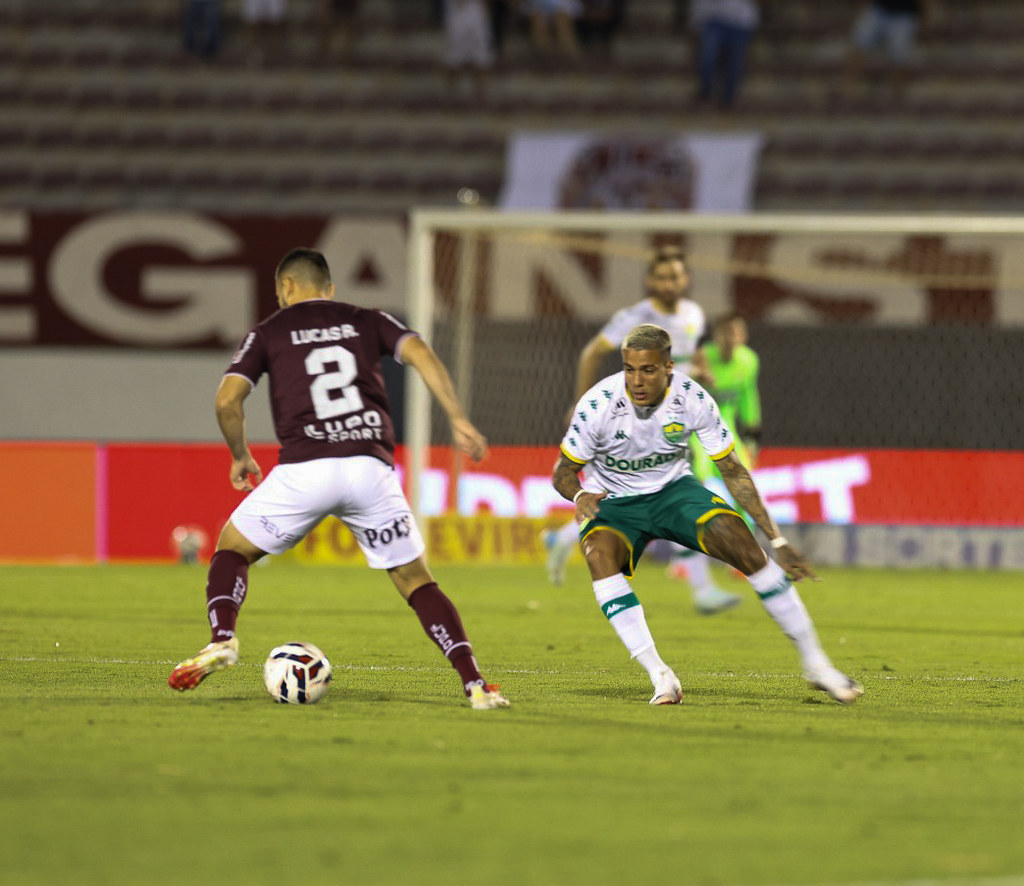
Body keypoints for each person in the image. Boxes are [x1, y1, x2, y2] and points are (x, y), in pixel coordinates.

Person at [168, 248, 510, 711]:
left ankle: (223, 638)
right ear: (329, 288)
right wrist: (458, 418)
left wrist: (240, 454)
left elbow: (227, 401)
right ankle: (476, 685)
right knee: (415, 580)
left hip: (305, 469)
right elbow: (421, 352)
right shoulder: (367, 319)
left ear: (286, 287)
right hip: (370, 469)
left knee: (232, 548)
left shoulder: (268, 331)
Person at [552, 323, 863, 705]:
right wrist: (579, 493)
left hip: (673, 492)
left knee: (745, 547)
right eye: (629, 369)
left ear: (668, 367)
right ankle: (660, 674)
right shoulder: (597, 404)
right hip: (614, 500)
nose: (637, 380)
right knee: (598, 556)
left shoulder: (692, 398)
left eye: (648, 370)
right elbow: (563, 472)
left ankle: (817, 665)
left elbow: (733, 470)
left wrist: (777, 539)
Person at [542, 247, 741, 616]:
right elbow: (591, 353)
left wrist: (703, 372)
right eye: (662, 277)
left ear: (685, 279)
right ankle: (702, 590)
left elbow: (690, 357)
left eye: (675, 276)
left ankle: (562, 538)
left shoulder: (693, 314)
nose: (670, 283)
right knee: (657, 492)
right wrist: (580, 405)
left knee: (658, 491)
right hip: (630, 416)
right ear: (651, 280)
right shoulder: (635, 318)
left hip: (672, 417)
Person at [681, 311, 761, 541]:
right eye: (728, 333)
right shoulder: (702, 358)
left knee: (744, 485)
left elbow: (748, 399)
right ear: (717, 335)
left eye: (737, 333)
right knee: (700, 476)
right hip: (696, 431)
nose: (732, 338)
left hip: (726, 430)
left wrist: (752, 438)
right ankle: (689, 548)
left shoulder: (748, 361)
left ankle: (746, 544)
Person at [843, 0, 934, 99]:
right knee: (859, 44)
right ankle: (848, 84)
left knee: (900, 57)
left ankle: (897, 91)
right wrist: (862, 8)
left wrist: (925, 17)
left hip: (904, 15)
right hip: (879, 9)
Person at [694, 0, 760, 110]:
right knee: (707, 57)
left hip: (741, 22)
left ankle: (729, 97)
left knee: (734, 63)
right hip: (715, 18)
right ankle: (706, 93)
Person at [442, 0, 495, 101]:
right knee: (454, 57)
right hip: (458, 10)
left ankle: (480, 94)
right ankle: (450, 94)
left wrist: (487, 11)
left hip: (478, 11)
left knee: (481, 57)